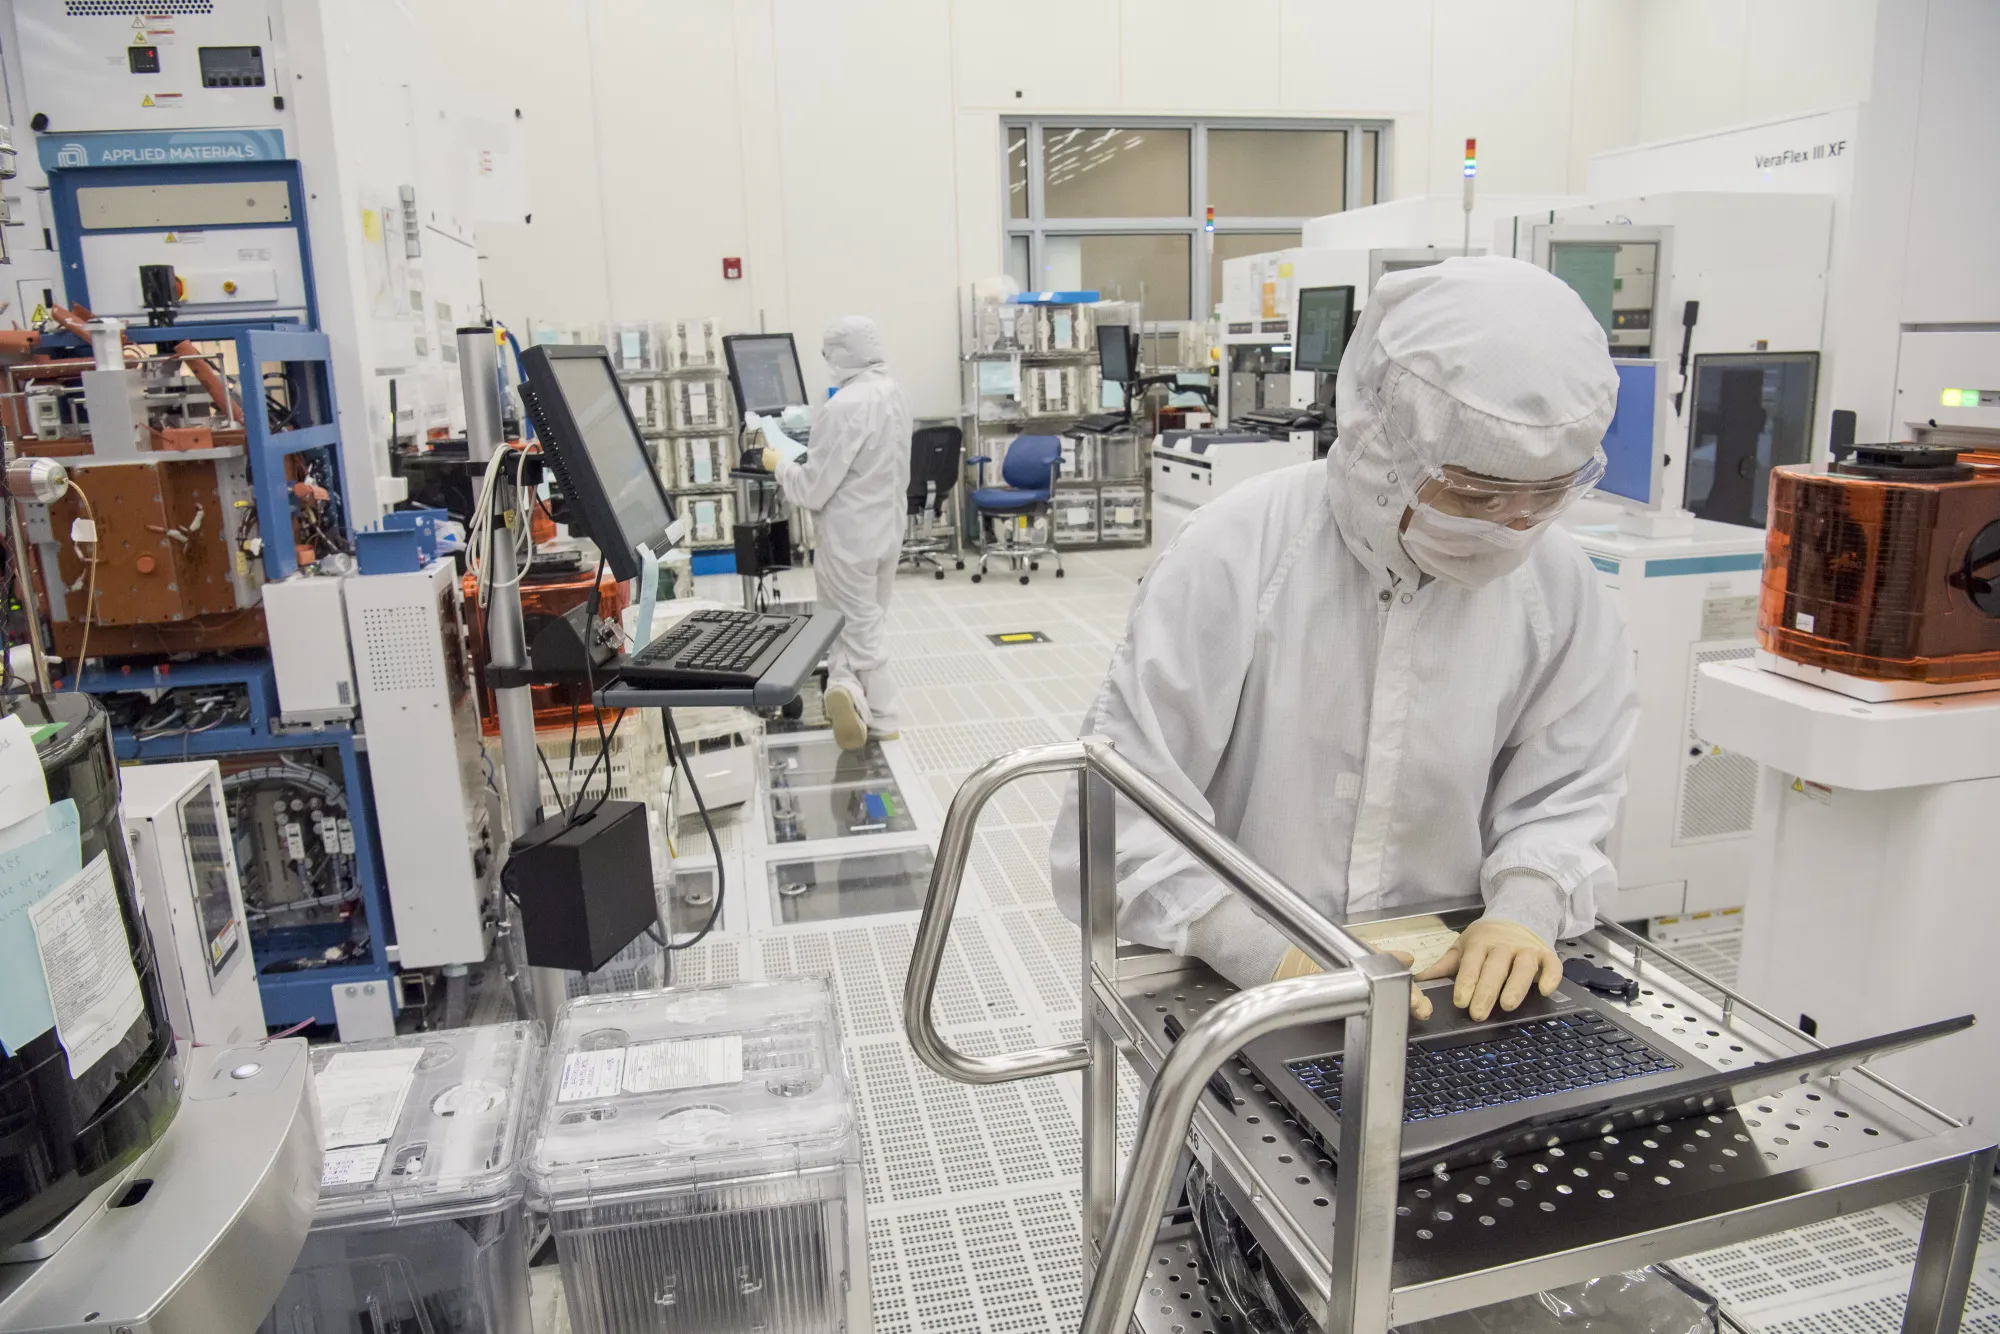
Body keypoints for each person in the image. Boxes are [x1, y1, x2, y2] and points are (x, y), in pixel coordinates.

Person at [1051, 257, 1639, 1023]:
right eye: (1476, 495)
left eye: (1549, 492)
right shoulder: (1236, 553)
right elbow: (1120, 808)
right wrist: (1256, 947)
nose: (1514, 525)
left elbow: (1573, 784)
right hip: (1241, 995)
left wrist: (1526, 905)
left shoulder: (1558, 586)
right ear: (1383, 444)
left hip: (1454, 991)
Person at [762, 315, 912, 750]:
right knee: (851, 621)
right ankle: (846, 691)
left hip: (849, 537)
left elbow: (812, 488)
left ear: (841, 353)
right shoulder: (894, 393)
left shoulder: (844, 405)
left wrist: (779, 465)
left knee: (858, 626)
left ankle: (884, 715)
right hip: (888, 529)